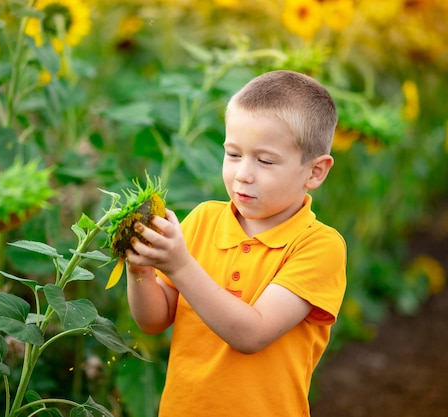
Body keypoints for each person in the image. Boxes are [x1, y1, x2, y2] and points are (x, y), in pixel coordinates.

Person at [124, 70, 347, 417]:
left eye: (265, 160)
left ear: (315, 172)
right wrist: (140, 268)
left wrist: (180, 265)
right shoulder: (203, 220)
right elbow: (153, 320)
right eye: (233, 154)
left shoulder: (318, 246)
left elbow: (251, 334)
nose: (243, 173)